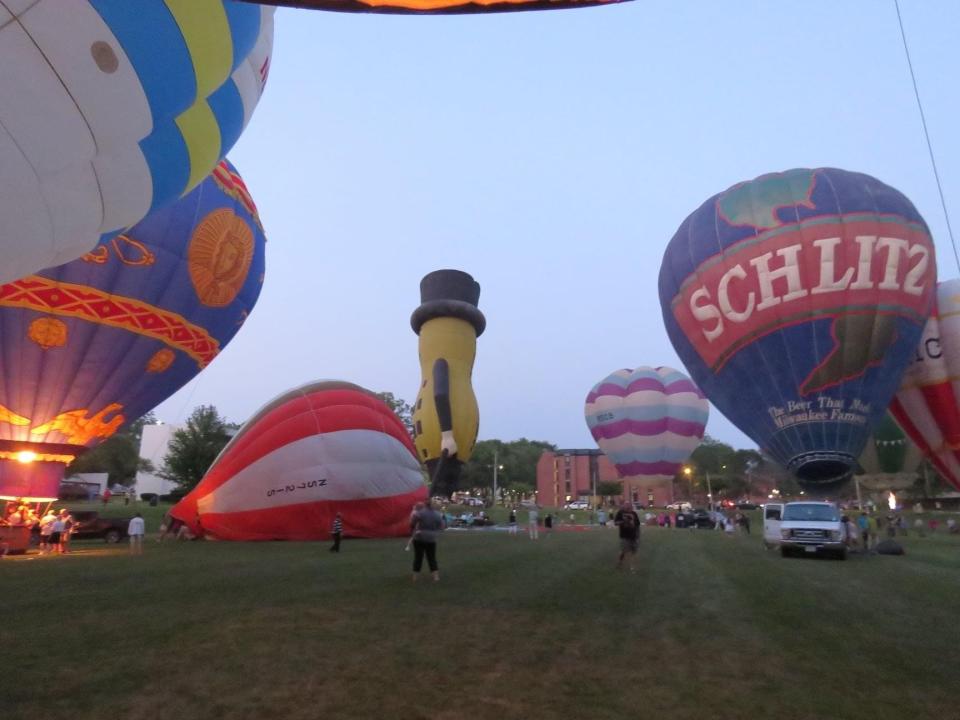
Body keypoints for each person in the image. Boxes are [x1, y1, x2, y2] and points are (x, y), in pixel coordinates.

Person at [410, 499, 444, 582]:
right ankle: (436, 577)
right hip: (431, 538)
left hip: (420, 537)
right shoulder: (437, 514)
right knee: (431, 557)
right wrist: (434, 531)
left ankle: (415, 577)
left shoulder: (420, 513)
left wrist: (414, 529)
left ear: (425, 504)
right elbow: (441, 526)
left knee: (418, 557)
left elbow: (412, 523)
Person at [613, 501, 641, 572]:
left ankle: (632, 566)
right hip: (624, 536)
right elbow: (616, 523)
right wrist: (624, 521)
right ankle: (620, 562)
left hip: (633, 535)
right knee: (623, 551)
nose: (628, 507)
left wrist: (638, 535)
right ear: (624, 506)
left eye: (630, 506)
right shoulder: (620, 513)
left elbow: (637, 525)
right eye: (626, 505)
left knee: (633, 551)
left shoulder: (634, 513)